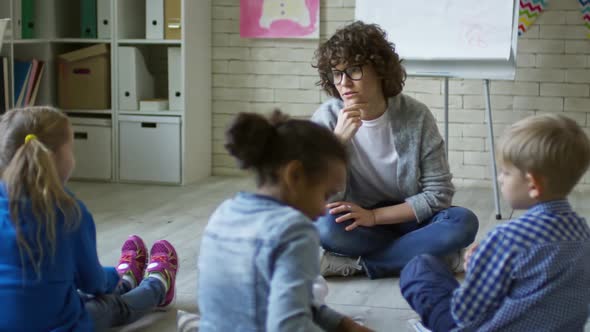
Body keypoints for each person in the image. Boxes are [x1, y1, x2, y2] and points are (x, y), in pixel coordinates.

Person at [311, 21, 479, 279]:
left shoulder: (416, 116)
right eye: (337, 73)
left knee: (462, 222)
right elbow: (314, 198)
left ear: (379, 70)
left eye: (354, 70)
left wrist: (375, 216)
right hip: (358, 223)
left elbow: (439, 194)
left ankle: (361, 265)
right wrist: (336, 145)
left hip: (409, 218)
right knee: (325, 227)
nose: (344, 83)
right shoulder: (327, 117)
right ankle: (434, 257)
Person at [400, 114, 590, 331]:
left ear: (533, 184)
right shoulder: (584, 234)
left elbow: (465, 313)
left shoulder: (507, 238)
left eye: (506, 173)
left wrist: (478, 270)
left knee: (420, 267)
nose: (500, 179)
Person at [0, 107, 178, 331]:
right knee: (112, 306)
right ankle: (158, 284)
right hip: (61, 326)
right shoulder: (69, 212)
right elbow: (93, 283)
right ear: (53, 158)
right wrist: (113, 277)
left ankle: (128, 279)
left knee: (66, 294)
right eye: (71, 150)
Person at [198, 110, 372, 331]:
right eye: (326, 195)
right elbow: (290, 326)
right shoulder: (294, 230)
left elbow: (290, 304)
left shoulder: (223, 213)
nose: (323, 210)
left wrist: (345, 326)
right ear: (295, 175)